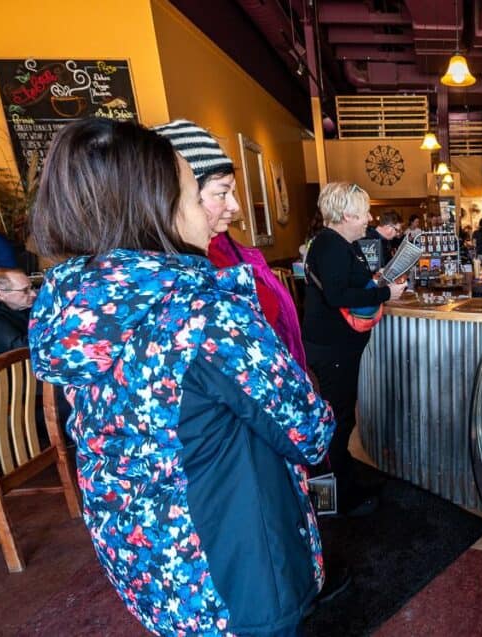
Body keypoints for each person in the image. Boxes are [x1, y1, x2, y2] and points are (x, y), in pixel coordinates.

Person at [27, 118, 335, 636]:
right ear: (157, 210)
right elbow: (309, 430)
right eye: (197, 195)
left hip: (148, 561)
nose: (213, 211)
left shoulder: (75, 307)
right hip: (233, 565)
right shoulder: (204, 313)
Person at [154, 119, 307, 370]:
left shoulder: (224, 248)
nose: (236, 207)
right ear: (176, 197)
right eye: (222, 193)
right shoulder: (174, 279)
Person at [303, 183, 407, 517]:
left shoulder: (337, 243)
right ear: (347, 214)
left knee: (342, 419)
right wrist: (383, 295)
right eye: (364, 212)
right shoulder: (332, 246)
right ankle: (331, 504)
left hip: (338, 346)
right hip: (332, 348)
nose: (370, 218)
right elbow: (336, 296)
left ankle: (345, 485)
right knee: (336, 422)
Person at [0, 268, 35, 365]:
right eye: (25, 290)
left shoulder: (17, 303)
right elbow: (21, 348)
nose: (33, 294)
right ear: (1, 294)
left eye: (32, 288)